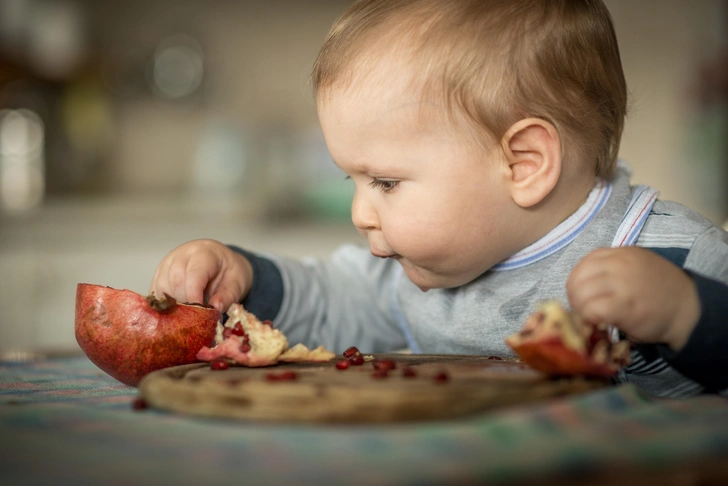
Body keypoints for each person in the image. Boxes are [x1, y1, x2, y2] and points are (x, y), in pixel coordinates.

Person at [149, 0, 728, 397]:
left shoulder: (675, 254)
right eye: (354, 181)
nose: (359, 213)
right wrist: (243, 273)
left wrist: (686, 313)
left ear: (523, 164)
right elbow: (334, 301)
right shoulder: (414, 275)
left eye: (387, 183)